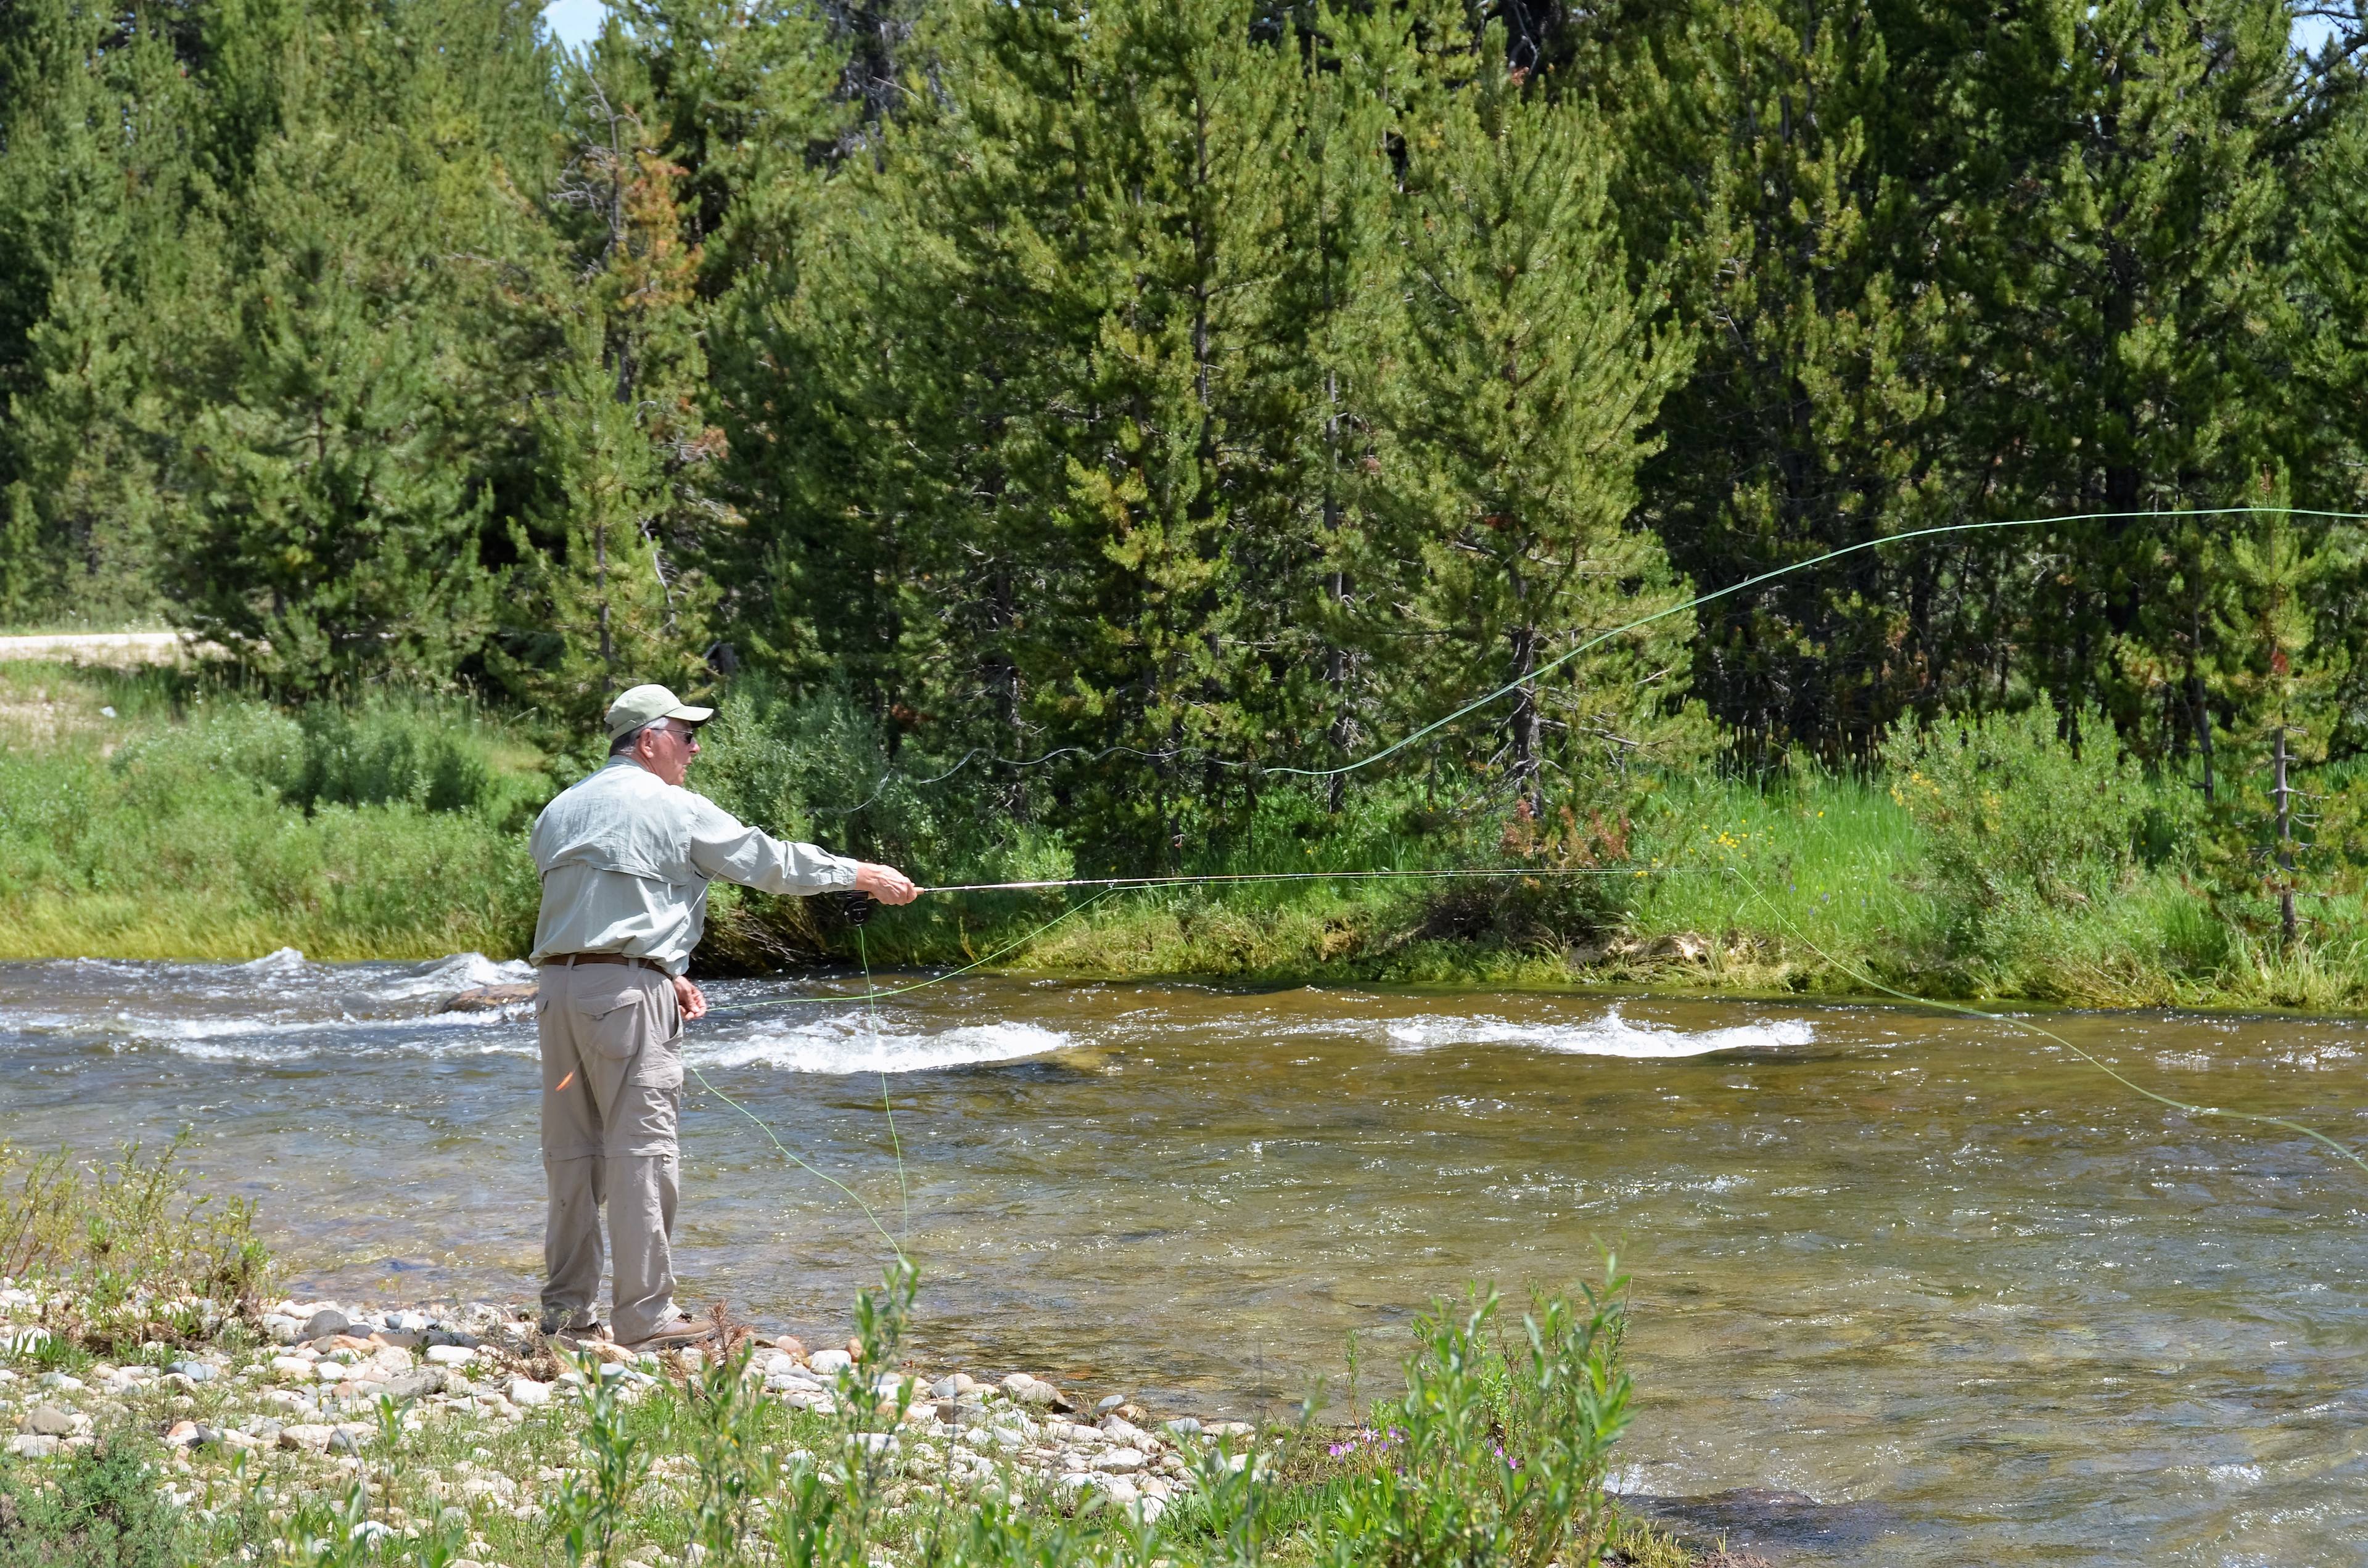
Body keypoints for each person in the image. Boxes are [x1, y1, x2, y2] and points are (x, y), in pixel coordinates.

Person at [527, 683, 918, 1351]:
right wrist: (859, 873)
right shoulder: (672, 805)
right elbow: (767, 861)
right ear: (648, 740)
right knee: (642, 1153)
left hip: (556, 995)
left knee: (573, 1154)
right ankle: (646, 1318)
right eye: (685, 733)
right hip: (625, 999)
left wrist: (666, 970)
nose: (695, 745)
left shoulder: (559, 810)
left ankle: (566, 1315)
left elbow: (596, 905)